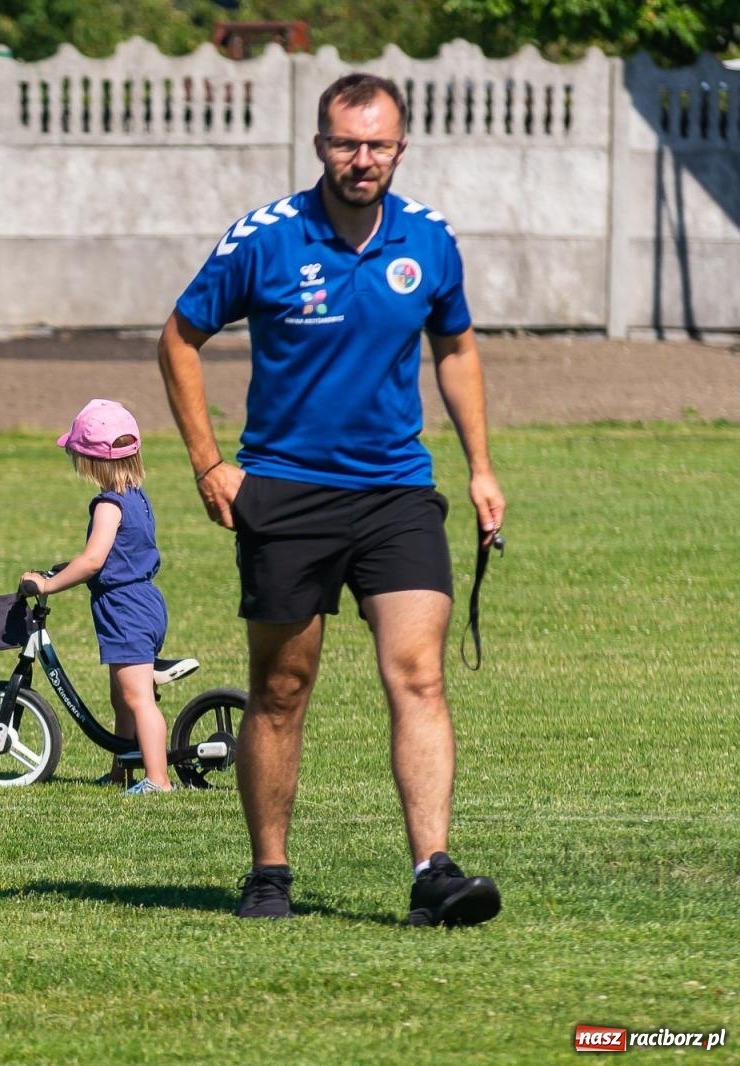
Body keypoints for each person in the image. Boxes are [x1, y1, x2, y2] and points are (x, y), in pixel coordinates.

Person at [156, 73, 506, 925]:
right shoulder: (266, 241)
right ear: (320, 145)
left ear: (401, 146)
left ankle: (434, 872)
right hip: (285, 494)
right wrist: (209, 465)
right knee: (281, 689)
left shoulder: (429, 239)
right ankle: (269, 874)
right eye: (346, 143)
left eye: (377, 144)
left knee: (418, 675)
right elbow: (179, 338)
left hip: (396, 492)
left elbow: (455, 349)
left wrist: (481, 466)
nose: (362, 159)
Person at [20, 399, 174, 795]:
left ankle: (158, 780)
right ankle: (122, 771)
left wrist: (48, 584)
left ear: (89, 461)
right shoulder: (137, 496)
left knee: (138, 698)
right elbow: (116, 555)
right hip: (144, 602)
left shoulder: (109, 504)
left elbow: (93, 561)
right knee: (122, 697)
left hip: (125, 608)